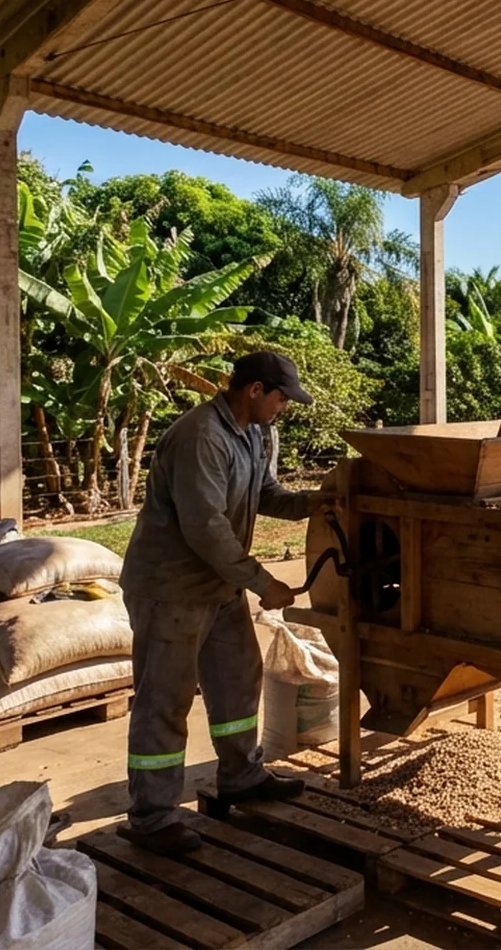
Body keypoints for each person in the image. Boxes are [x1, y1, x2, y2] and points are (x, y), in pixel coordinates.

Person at [119, 351, 326, 855]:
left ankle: (241, 775)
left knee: (237, 681)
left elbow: (267, 495)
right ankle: (153, 817)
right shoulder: (200, 437)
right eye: (281, 397)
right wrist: (263, 582)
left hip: (217, 586)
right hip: (171, 589)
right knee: (164, 702)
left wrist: (323, 500)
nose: (284, 407)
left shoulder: (255, 433)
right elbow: (206, 528)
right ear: (254, 390)